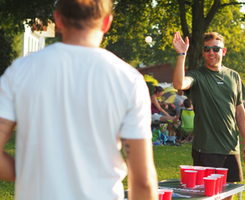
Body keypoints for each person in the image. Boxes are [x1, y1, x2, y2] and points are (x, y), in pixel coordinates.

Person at [0, 1, 158, 200]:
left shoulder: (20, 71)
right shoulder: (128, 80)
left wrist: (27, 172)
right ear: (107, 22)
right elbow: (143, 180)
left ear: (57, 19)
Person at [172, 31, 245, 200]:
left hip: (231, 148)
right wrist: (181, 54)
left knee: (228, 195)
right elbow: (179, 83)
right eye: (207, 49)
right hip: (207, 148)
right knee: (206, 196)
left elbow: (240, 111)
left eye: (216, 49)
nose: (211, 52)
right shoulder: (197, 76)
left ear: (223, 51)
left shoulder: (234, 76)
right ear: (203, 52)